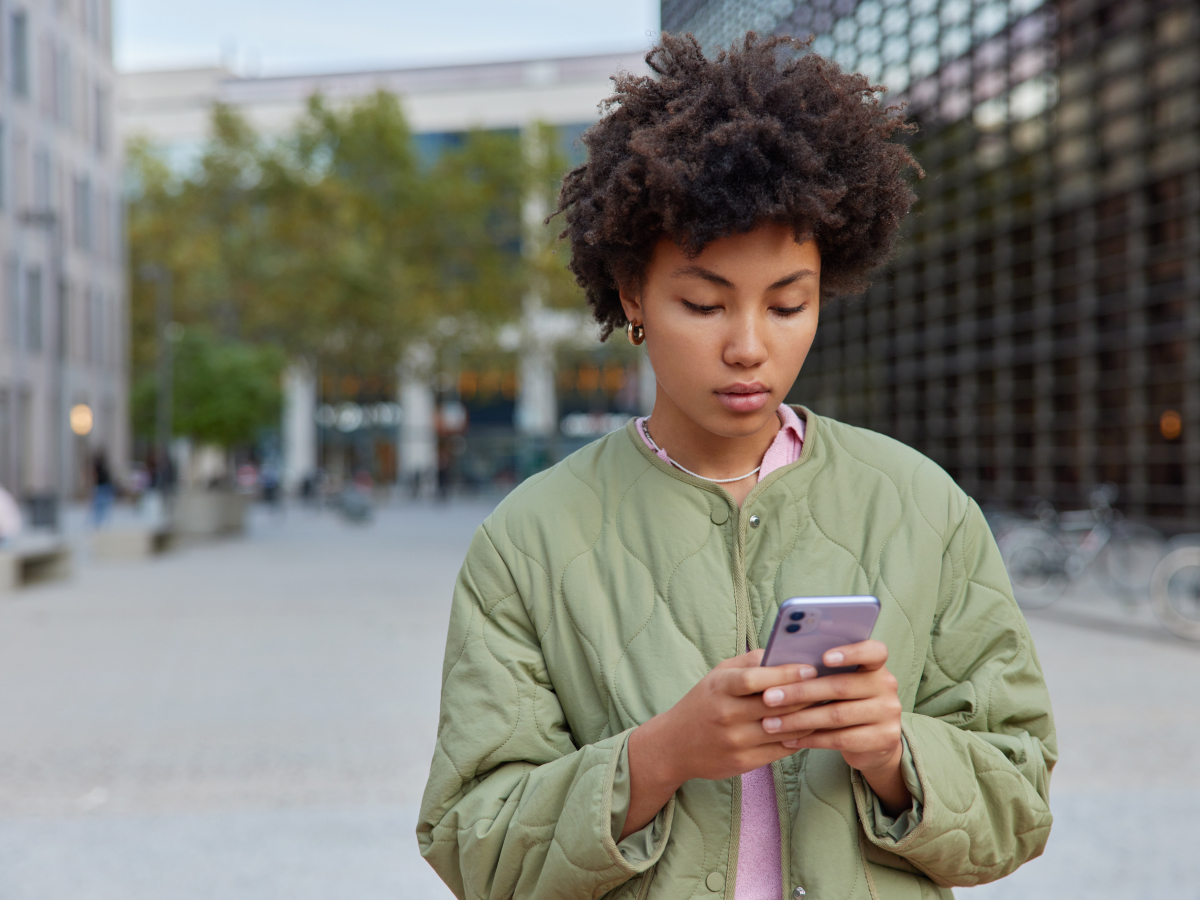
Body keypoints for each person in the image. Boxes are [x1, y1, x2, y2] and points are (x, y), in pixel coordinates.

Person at [418, 33, 1055, 900]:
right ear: (634, 296)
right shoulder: (528, 543)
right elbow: (472, 840)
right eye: (704, 303)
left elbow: (1019, 799)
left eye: (789, 303)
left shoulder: (921, 507)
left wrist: (893, 754)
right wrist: (658, 758)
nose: (749, 346)